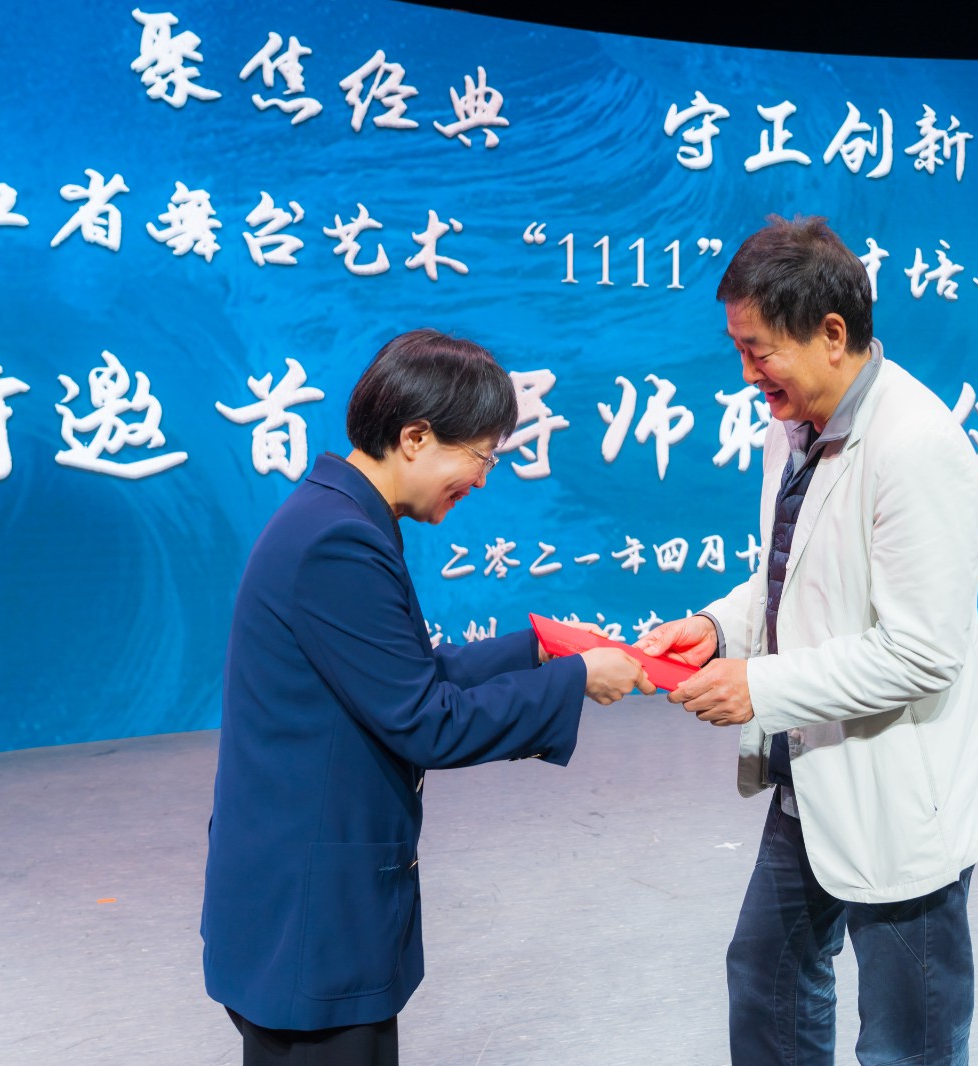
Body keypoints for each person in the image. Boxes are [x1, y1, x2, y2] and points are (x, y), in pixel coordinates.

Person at [201, 328, 652, 1066]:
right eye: (482, 456)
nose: (483, 480)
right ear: (415, 438)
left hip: (303, 905)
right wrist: (576, 681)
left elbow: (403, 676)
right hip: (311, 916)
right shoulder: (338, 543)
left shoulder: (336, 517)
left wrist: (538, 649)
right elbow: (423, 720)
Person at [636, 216, 978, 1066]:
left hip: (900, 791)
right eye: (738, 348)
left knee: (908, 1038)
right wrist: (718, 627)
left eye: (758, 350)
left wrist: (758, 688)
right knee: (767, 977)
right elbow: (798, 575)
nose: (745, 373)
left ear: (832, 334)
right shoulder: (798, 424)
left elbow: (921, 652)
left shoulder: (917, 448)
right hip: (812, 771)